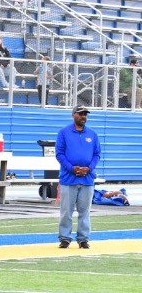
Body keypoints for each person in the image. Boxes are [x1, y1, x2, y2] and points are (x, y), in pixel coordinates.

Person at [56, 105, 101, 249]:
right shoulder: (64, 133)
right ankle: (65, 238)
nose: (83, 116)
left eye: (85, 114)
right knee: (66, 211)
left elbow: (96, 154)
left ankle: (83, 239)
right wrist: (71, 168)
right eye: (80, 114)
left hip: (87, 179)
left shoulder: (92, 134)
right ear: (73, 115)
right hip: (69, 179)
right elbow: (59, 154)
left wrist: (89, 168)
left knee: (84, 211)